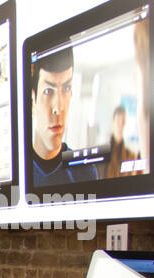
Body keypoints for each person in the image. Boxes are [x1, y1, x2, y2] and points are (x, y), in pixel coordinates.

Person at [28, 47, 102, 186]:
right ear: (32, 101)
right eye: (48, 91)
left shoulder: (84, 171)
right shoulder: (20, 169)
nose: (59, 108)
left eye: (66, 88)